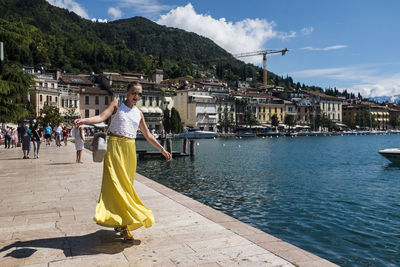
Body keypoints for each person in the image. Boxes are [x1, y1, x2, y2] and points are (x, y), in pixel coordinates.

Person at [74, 82, 172, 241]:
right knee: (115, 186)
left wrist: (162, 149)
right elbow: (101, 117)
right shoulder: (117, 104)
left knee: (126, 188)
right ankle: (125, 226)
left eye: (139, 94)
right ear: (127, 92)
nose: (137, 97)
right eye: (134, 93)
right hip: (114, 148)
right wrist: (83, 121)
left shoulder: (139, 113)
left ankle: (122, 222)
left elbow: (148, 135)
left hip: (129, 150)